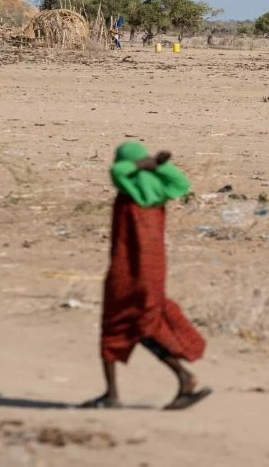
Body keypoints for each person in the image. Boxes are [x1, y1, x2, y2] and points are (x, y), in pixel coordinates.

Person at [80, 141, 211, 411]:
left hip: (127, 272)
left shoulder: (128, 194)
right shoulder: (158, 195)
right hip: (154, 271)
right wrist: (158, 165)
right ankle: (182, 378)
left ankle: (113, 394)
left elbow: (118, 171)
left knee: (116, 327)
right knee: (145, 325)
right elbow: (179, 181)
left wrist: (146, 163)